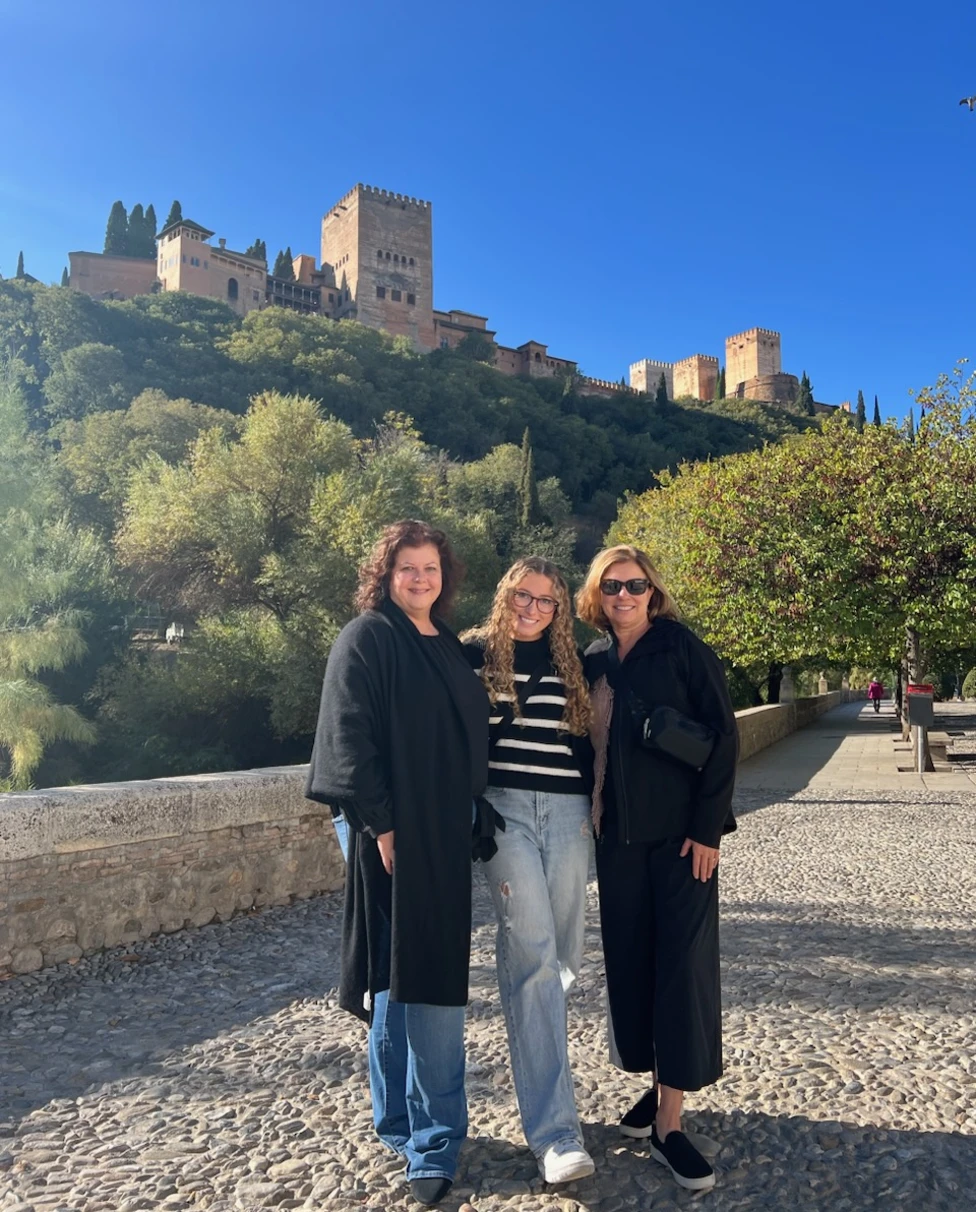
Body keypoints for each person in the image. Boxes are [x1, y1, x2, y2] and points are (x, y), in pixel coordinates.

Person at [305, 520, 491, 1208]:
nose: (420, 578)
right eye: (407, 567)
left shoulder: (445, 642)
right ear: (385, 574)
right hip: (390, 824)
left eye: (431, 567)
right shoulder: (367, 637)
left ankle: (399, 1122)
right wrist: (383, 825)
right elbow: (346, 733)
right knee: (423, 970)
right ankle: (435, 1140)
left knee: (397, 971)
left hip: (441, 823)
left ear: (446, 576)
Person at [577, 544, 738, 1194]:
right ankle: (656, 1084)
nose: (624, 595)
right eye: (612, 586)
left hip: (679, 843)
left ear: (653, 591)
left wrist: (707, 830)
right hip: (617, 845)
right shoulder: (592, 660)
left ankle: (670, 1123)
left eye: (635, 585)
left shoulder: (680, 648)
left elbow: (724, 737)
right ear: (597, 594)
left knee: (680, 972)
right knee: (634, 970)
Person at [461, 557, 596, 1185]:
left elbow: (594, 739)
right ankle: (555, 1133)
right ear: (505, 594)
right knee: (534, 956)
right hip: (506, 814)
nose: (533, 609)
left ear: (559, 609)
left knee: (562, 956)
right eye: (524, 596)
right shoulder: (472, 655)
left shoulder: (574, 662)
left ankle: (538, 1037)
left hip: (569, 814)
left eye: (547, 601)